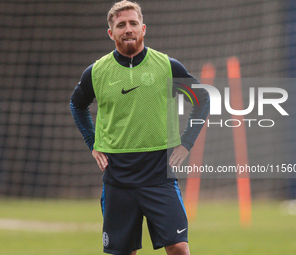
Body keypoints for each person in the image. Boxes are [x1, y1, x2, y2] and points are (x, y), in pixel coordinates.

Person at [70, 1, 210, 254]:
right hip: (118, 175)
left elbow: (203, 99)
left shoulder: (167, 66)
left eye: (133, 23)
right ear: (111, 33)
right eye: (121, 25)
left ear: (143, 28)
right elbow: (76, 105)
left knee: (179, 247)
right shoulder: (97, 72)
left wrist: (187, 141)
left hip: (159, 173)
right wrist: (93, 144)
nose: (128, 29)